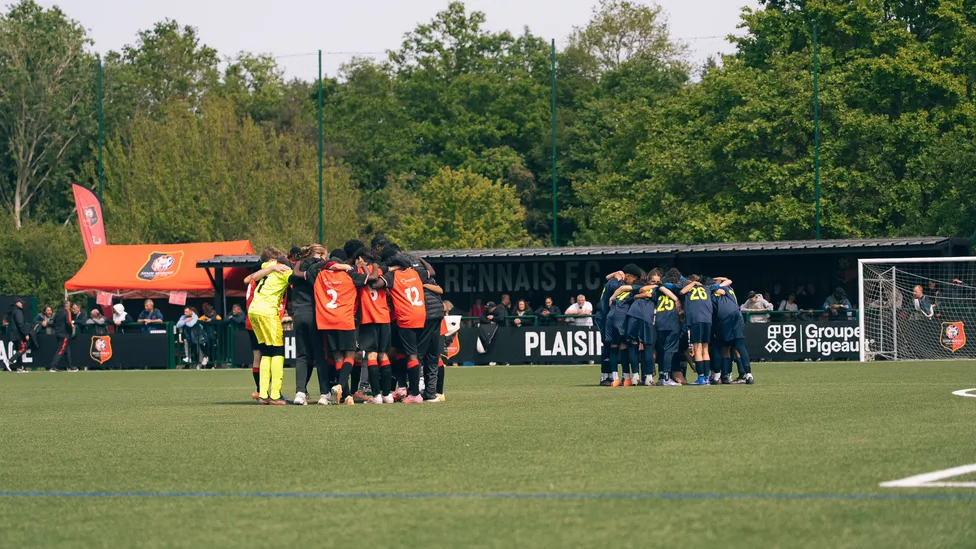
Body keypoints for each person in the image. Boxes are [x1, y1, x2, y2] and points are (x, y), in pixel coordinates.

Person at [295, 249, 371, 406]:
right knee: (350, 355)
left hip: (327, 321)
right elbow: (370, 278)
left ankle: (346, 395)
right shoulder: (349, 274)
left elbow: (305, 272)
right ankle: (340, 386)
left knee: (337, 357)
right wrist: (361, 266)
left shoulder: (320, 275)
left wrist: (326, 264)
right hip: (345, 319)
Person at [371, 252, 432, 404]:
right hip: (421, 315)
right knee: (408, 352)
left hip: (406, 317)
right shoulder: (416, 272)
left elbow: (374, 284)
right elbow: (431, 273)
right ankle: (406, 388)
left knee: (411, 355)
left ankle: (415, 394)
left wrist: (378, 268)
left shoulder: (393, 275)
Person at [245, 248, 294, 405]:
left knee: (265, 352)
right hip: (267, 312)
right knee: (278, 352)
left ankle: (263, 394)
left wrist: (271, 267)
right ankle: (275, 395)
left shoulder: (266, 266)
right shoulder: (284, 271)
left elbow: (250, 278)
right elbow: (300, 279)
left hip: (253, 311)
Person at [286, 244, 329, 406]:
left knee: (302, 356)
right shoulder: (319, 269)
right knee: (319, 355)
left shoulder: (297, 270)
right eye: (324, 255)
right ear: (318, 255)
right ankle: (324, 394)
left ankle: (300, 393)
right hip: (314, 315)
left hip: (298, 315)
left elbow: (292, 278)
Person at [681, 275, 730, 385]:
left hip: (695, 320)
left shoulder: (689, 289)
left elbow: (682, 292)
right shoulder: (708, 288)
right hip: (707, 320)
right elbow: (725, 285)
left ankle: (701, 377)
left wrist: (692, 284)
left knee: (698, 349)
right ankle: (707, 378)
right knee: (705, 349)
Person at [606, 265, 643, 387]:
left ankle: (615, 378)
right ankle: (627, 378)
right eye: (634, 278)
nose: (635, 280)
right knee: (623, 346)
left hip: (610, 317)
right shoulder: (633, 287)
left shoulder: (616, 283)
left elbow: (608, 277)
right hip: (620, 318)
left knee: (613, 346)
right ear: (628, 276)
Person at [713, 279, 754, 385]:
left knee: (725, 347)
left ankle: (722, 375)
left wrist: (714, 286)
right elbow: (728, 281)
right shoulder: (730, 289)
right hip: (737, 314)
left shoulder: (717, 289)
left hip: (725, 318)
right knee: (738, 346)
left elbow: (720, 289)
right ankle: (747, 375)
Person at [49, 300, 78, 373]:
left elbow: (54, 322)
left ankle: (70, 366)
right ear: (66, 305)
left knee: (66, 351)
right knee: (61, 350)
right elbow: (68, 322)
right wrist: (71, 330)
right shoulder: (67, 311)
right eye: (69, 304)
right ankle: (53, 366)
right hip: (64, 334)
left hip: (58, 333)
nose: (69, 306)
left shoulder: (58, 312)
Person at [3, 298, 30, 372]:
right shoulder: (18, 311)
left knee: (19, 349)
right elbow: (20, 324)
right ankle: (9, 361)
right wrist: (25, 334)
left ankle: (21, 367)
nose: (22, 304)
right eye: (21, 303)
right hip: (18, 334)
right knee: (23, 348)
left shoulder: (12, 311)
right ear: (17, 303)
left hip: (13, 334)